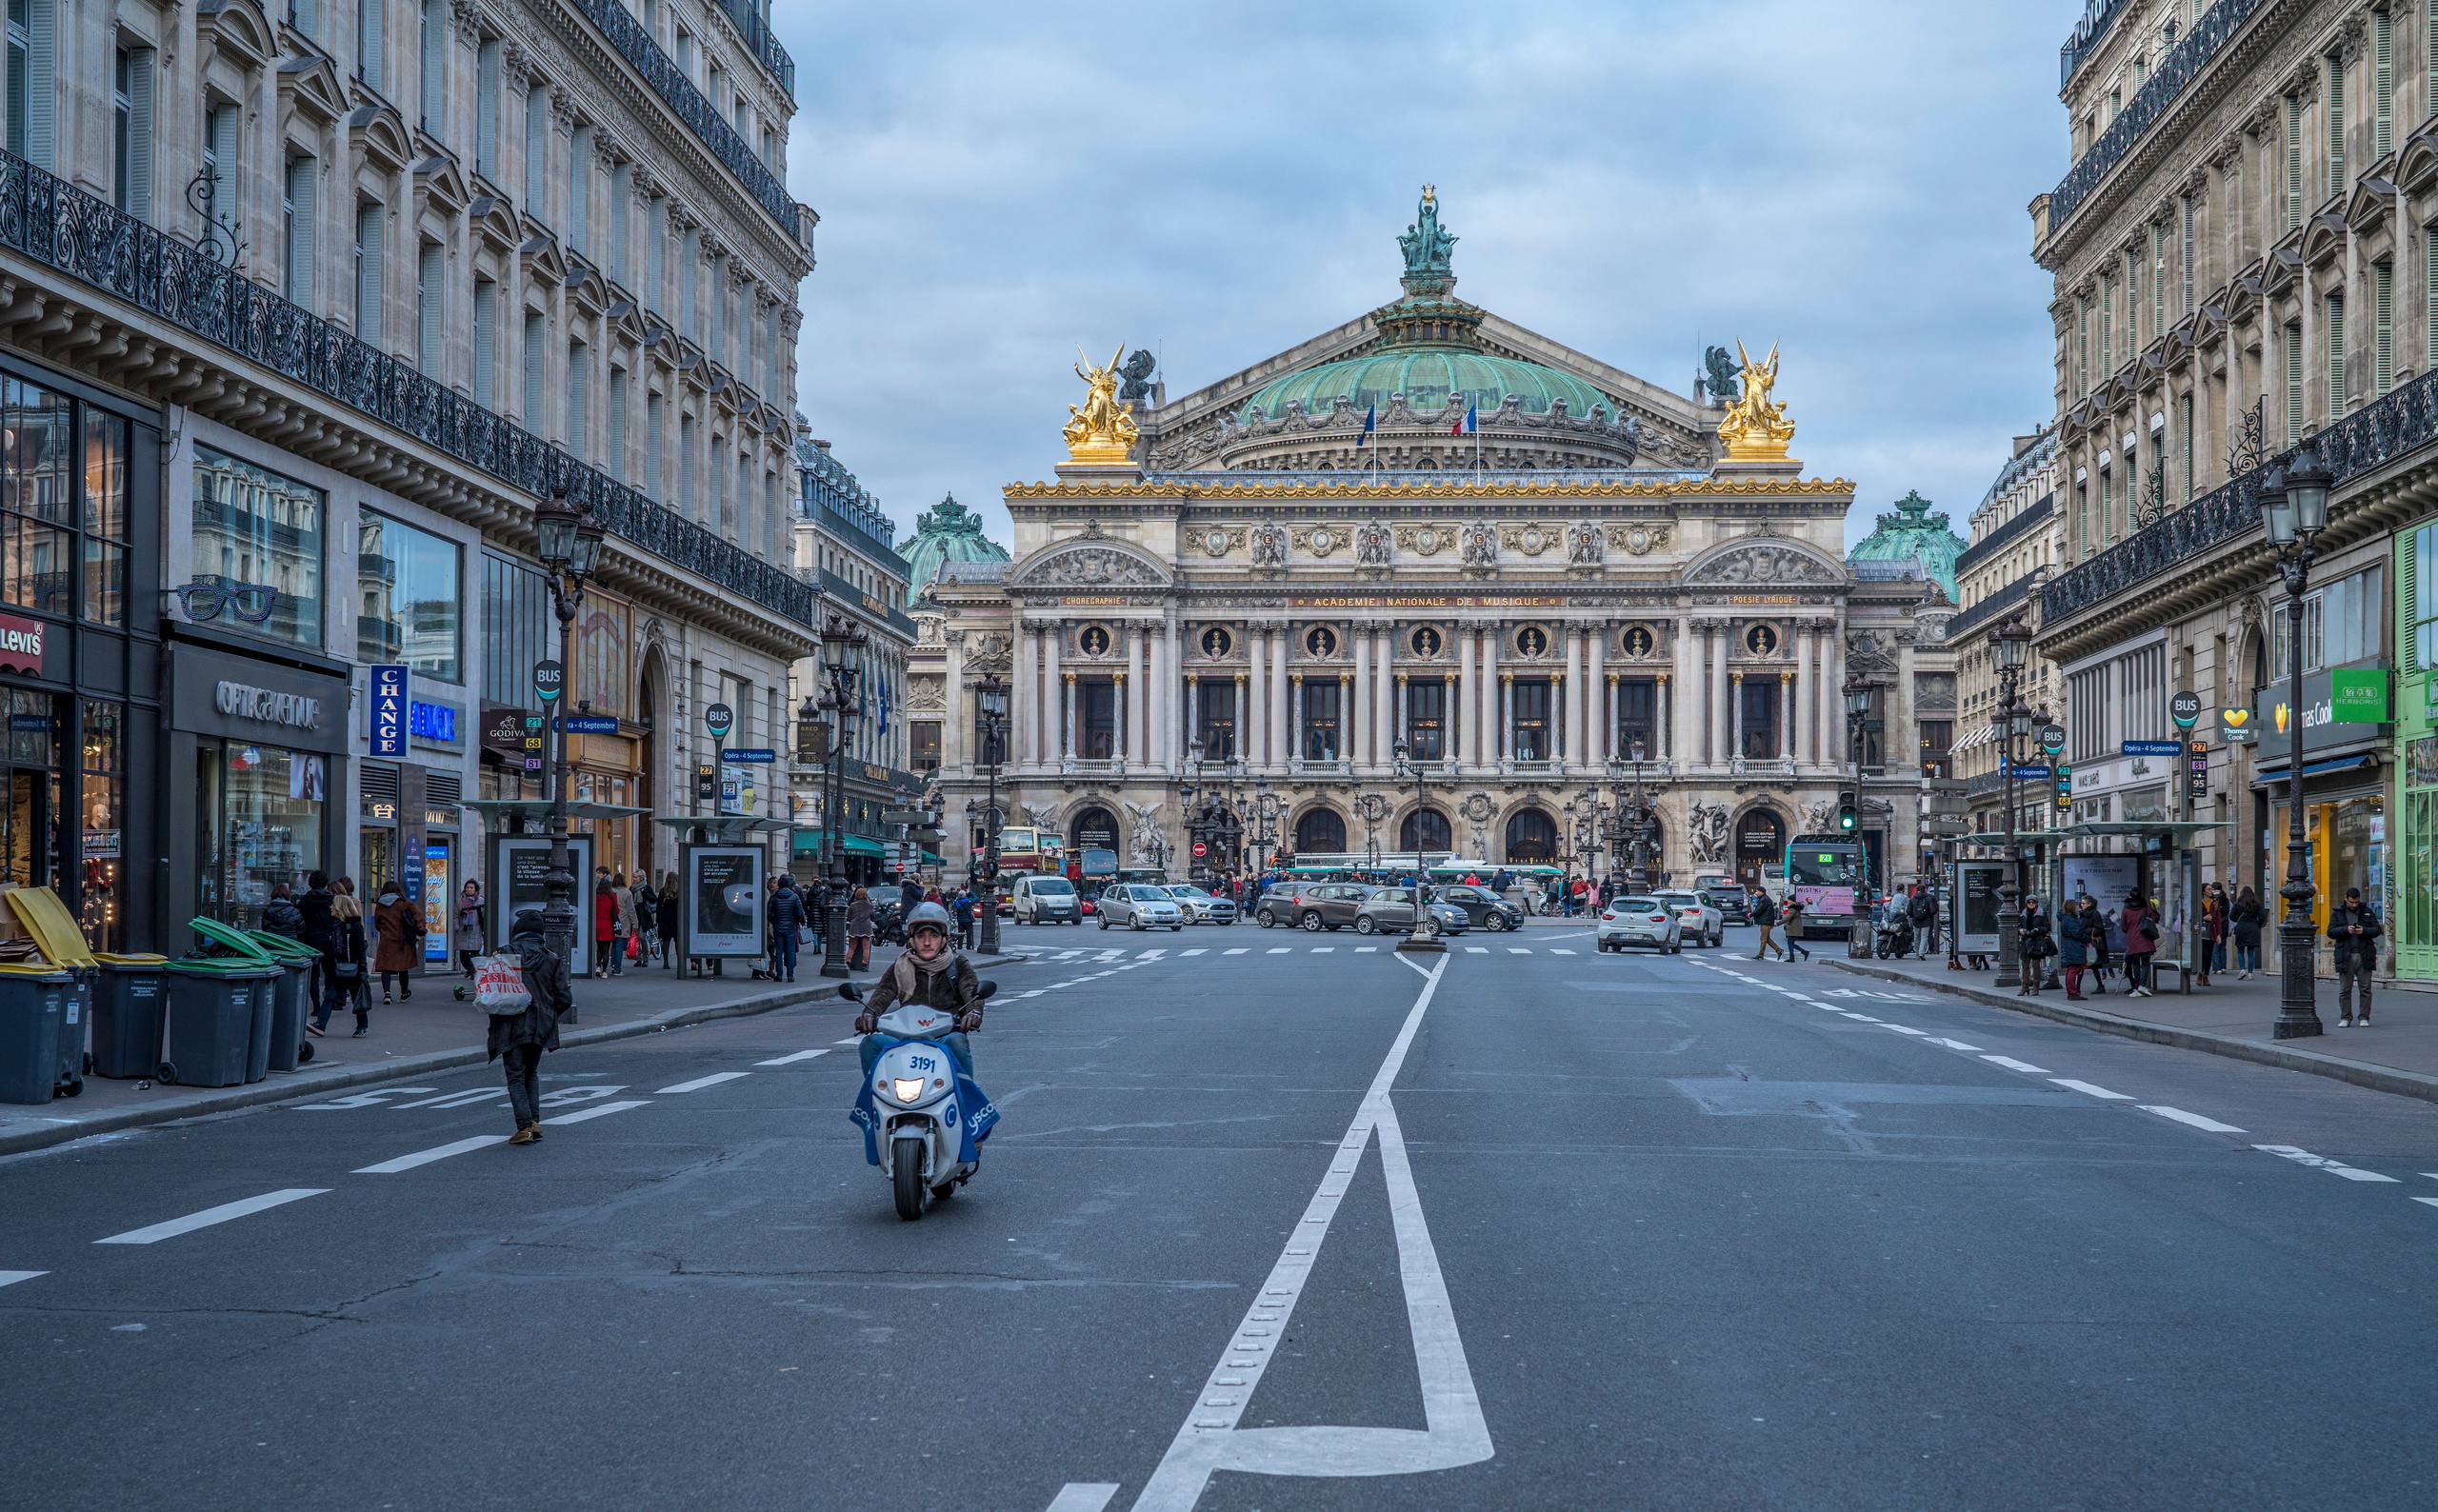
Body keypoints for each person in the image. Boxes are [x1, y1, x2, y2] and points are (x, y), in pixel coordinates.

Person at [853, 901, 984, 1077]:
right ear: (912, 940)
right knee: (870, 1043)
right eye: (921, 936)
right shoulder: (901, 965)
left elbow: (972, 991)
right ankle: (875, 1097)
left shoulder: (958, 964)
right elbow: (883, 993)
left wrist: (974, 1012)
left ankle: (968, 1097)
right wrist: (868, 1014)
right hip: (905, 1039)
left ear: (944, 939)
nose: (927, 942)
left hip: (944, 1037)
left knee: (957, 1040)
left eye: (934, 936)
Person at [491, 913, 573, 1145]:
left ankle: (524, 1127)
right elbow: (564, 998)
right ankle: (535, 1123)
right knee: (530, 1072)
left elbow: (489, 989)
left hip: (511, 1022)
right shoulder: (551, 958)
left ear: (517, 931)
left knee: (515, 1074)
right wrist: (547, 1012)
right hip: (540, 1022)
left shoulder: (505, 954)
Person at [2328, 886, 2384, 1027]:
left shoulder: (2366, 911)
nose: (2354, 905)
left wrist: (2364, 930)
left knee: (2365, 988)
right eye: (2352, 902)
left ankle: (2364, 1017)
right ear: (2346, 899)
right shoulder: (2338, 913)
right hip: (2345, 955)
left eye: (2356, 902)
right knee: (2344, 989)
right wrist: (2345, 930)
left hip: (2364, 954)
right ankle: (2345, 1017)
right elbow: (2331, 932)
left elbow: (2377, 930)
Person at [371, 881, 423, 1009]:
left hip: (386, 941)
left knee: (386, 968)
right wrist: (419, 932)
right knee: (403, 967)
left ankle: (387, 994)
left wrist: (385, 931)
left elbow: (377, 924)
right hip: (402, 941)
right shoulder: (405, 903)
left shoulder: (380, 905)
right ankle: (404, 993)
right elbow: (418, 916)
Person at [768, 873, 806, 983]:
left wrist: (774, 922)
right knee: (790, 951)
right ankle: (790, 975)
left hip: (778, 926)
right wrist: (795, 922)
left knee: (778, 951)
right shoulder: (794, 896)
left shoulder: (774, 897)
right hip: (790, 927)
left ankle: (779, 974)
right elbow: (799, 912)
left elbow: (769, 913)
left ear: (779, 885)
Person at [2120, 891, 2157, 998]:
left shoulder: (2126, 910)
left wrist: (2131, 931)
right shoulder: (2146, 908)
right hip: (2146, 939)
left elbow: (2123, 927)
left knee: (2135, 964)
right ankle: (2142, 985)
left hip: (2133, 940)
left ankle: (2136, 987)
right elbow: (2153, 923)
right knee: (2145, 963)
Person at [2019, 896, 2054, 998]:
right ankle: (2024, 986)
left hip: (2037, 942)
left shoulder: (2041, 913)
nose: (2031, 904)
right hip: (2025, 941)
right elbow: (2019, 926)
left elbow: (2047, 928)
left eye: (2033, 902)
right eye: (2029, 902)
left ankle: (2035, 986)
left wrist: (2038, 929)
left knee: (2035, 965)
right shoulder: (2023, 914)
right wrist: (2020, 931)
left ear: (2036, 903)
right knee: (2025, 964)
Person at [2057, 897, 2090, 1000]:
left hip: (2070, 945)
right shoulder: (2070, 920)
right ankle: (2072, 992)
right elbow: (2077, 933)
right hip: (2074, 946)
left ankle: (2071, 991)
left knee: (2071, 969)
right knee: (2073, 969)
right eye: (2076, 906)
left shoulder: (2066, 919)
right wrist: (2087, 938)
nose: (2078, 907)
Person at [453, 880, 486, 978]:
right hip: (463, 930)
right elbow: (455, 915)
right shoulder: (460, 901)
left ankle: (472, 972)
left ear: (475, 889)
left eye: (472, 888)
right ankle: (470, 970)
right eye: (468, 888)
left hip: (476, 930)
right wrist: (457, 927)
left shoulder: (481, 901)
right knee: (463, 955)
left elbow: (484, 915)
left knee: (475, 954)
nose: (469, 890)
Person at [2230, 886, 2265, 979]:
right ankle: (2250, 973)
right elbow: (2262, 917)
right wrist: (2257, 925)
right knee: (2251, 952)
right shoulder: (2257, 904)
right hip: (2253, 927)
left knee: (2240, 950)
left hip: (2241, 927)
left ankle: (2242, 970)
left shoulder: (2238, 903)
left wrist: (2238, 919)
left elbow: (2231, 916)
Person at [1749, 882, 1785, 961]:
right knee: (1767, 938)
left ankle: (1760, 955)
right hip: (1767, 921)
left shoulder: (1764, 900)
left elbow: (1759, 910)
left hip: (1765, 922)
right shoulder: (1765, 899)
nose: (1756, 893)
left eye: (1757, 891)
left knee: (1763, 939)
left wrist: (1751, 915)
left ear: (1761, 892)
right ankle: (1779, 950)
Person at [1906, 884, 1938, 961]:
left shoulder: (1912, 899)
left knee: (1917, 937)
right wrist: (1928, 915)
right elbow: (1933, 910)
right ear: (1925, 889)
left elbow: (1908, 911)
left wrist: (1913, 915)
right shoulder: (1928, 898)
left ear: (1917, 890)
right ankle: (1921, 952)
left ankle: (1917, 953)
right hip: (1926, 920)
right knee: (1924, 937)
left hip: (1916, 920)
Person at [633, 874, 659, 966]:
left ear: (641, 878)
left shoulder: (647, 887)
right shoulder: (632, 888)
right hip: (636, 917)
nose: (634, 879)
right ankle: (638, 959)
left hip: (644, 917)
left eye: (636, 877)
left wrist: (645, 894)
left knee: (642, 937)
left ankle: (645, 958)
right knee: (637, 939)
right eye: (634, 877)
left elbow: (654, 899)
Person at [657, 871, 681, 968]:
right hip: (676, 917)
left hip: (665, 918)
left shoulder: (663, 891)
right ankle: (680, 961)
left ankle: (666, 961)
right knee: (678, 941)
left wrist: (658, 919)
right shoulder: (679, 891)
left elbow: (658, 906)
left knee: (666, 940)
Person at [848, 885, 873, 971]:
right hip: (866, 927)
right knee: (865, 947)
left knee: (852, 946)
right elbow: (873, 916)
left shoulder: (853, 905)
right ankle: (864, 965)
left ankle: (848, 962)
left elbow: (849, 917)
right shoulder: (869, 905)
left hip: (855, 927)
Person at [1780, 893, 1810, 961]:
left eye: (1789, 900)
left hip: (1793, 928)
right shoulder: (1795, 908)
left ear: (1793, 901)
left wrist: (1777, 923)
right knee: (1791, 943)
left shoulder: (1793, 909)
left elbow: (1787, 918)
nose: (1788, 901)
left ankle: (1793, 957)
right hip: (1795, 928)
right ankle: (1803, 952)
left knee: (1790, 943)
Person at [953, 886, 976, 950]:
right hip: (968, 920)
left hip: (960, 920)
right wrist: (970, 892)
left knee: (960, 934)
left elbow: (957, 900)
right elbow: (975, 898)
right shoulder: (968, 901)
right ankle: (968, 947)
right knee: (969, 934)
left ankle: (959, 946)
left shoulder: (957, 902)